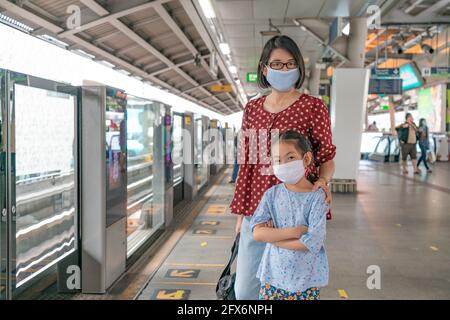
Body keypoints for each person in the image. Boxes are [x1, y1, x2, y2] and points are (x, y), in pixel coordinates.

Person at [230, 35, 336, 300]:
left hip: (297, 210)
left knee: (290, 289)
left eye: (291, 64)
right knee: (245, 292)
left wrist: (323, 180)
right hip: (258, 210)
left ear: (299, 68)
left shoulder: (313, 107)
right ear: (265, 69)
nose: (285, 69)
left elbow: (326, 156)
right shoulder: (252, 108)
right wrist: (241, 214)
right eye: (277, 64)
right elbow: (248, 163)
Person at [251, 130, 329, 300]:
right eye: (278, 160)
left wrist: (272, 237)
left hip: (306, 280)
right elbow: (257, 233)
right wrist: (297, 232)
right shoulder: (271, 195)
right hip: (272, 276)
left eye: (290, 158)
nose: (283, 164)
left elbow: (314, 242)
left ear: (306, 159)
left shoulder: (317, 197)